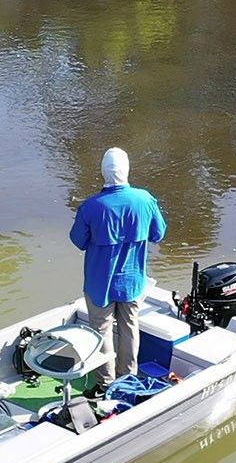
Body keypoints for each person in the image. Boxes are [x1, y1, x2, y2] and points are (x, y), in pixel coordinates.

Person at [69, 147, 166, 379]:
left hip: (99, 283)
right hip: (132, 282)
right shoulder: (145, 200)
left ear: (104, 172)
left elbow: (77, 240)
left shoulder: (91, 206)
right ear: (127, 170)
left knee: (100, 331)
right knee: (130, 329)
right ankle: (127, 378)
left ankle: (105, 382)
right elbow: (158, 234)